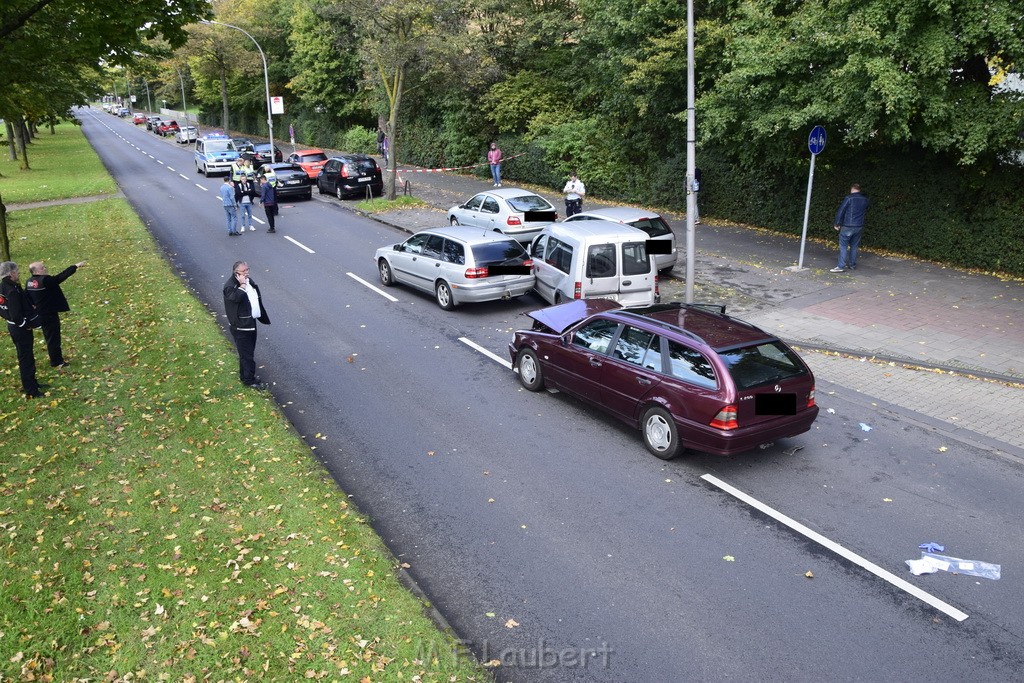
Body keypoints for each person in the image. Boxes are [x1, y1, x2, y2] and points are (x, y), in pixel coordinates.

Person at [26, 259, 86, 367]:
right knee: (54, 338)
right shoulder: (46, 280)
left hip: (40, 313)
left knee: (49, 336)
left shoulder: (29, 282)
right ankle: (56, 361)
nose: (45, 268)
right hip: (49, 313)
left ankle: (55, 358)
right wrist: (75, 266)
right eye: (42, 268)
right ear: (36, 271)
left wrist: (32, 305)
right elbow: (60, 277)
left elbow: (27, 296)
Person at [223, 261, 270, 390]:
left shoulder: (248, 281)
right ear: (236, 273)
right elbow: (235, 298)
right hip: (241, 327)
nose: (247, 273)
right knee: (247, 355)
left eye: (247, 269)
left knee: (248, 353)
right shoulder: (230, 286)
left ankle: (246, 376)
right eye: (244, 271)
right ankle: (249, 380)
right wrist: (242, 285)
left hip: (250, 323)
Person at [0, 261, 42, 398]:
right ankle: (31, 389)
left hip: (14, 326)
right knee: (26, 358)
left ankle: (32, 382)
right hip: (19, 329)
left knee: (27, 356)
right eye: (17, 271)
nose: (19, 273)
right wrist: (26, 324)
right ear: (11, 273)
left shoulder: (4, 286)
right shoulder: (11, 290)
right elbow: (16, 314)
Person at [831, 183, 870, 272]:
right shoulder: (865, 200)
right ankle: (852, 265)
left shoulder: (849, 198)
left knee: (843, 246)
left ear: (852, 189)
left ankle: (841, 266)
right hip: (859, 226)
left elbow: (841, 211)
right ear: (859, 190)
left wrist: (837, 223)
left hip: (848, 226)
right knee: (854, 246)